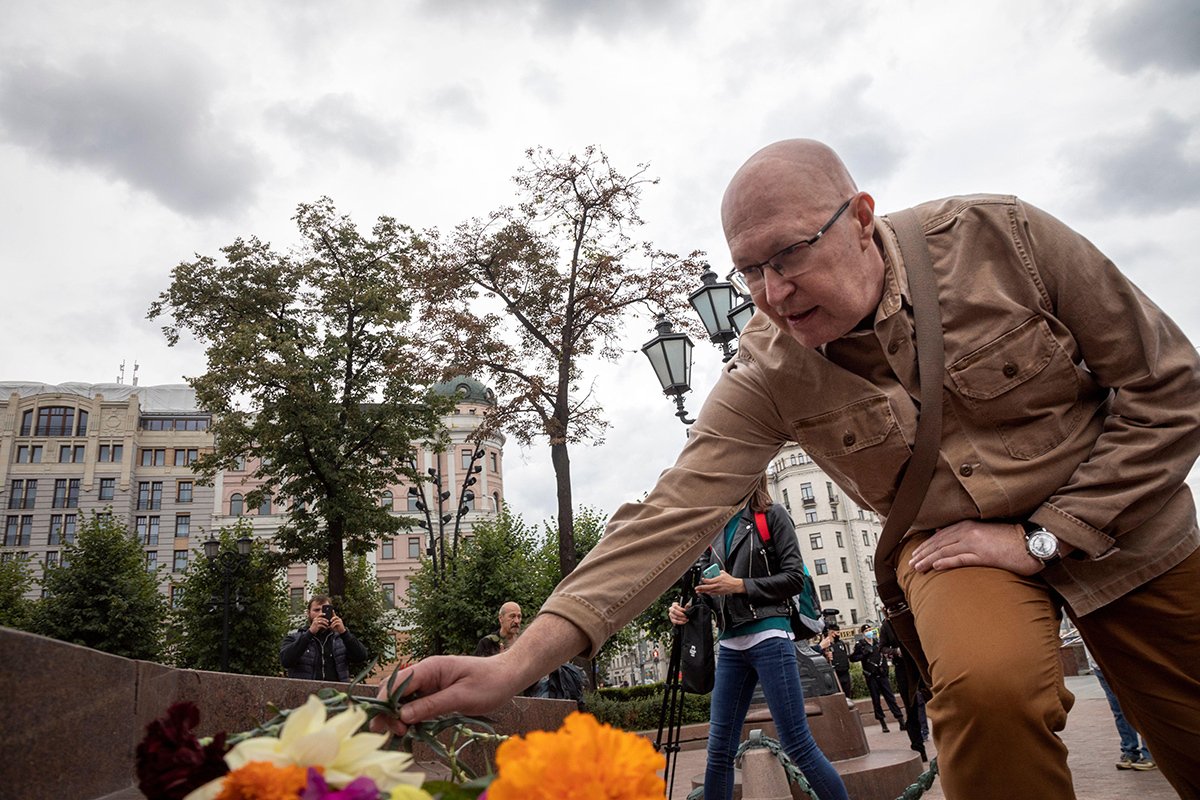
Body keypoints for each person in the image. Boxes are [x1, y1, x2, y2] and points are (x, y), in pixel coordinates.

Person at [376, 139, 1200, 799]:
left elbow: (1170, 386)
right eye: (748, 271)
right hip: (955, 551)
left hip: (1128, 522)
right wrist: (517, 664)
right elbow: (672, 514)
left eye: (788, 256)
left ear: (862, 218)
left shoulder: (1004, 240)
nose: (770, 292)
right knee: (986, 696)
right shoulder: (767, 370)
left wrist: (1047, 537)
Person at [668, 486, 848, 800]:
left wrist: (739, 585)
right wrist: (683, 610)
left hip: (770, 636)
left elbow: (794, 577)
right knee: (719, 749)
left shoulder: (771, 515)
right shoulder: (713, 527)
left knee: (797, 743)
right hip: (730, 645)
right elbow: (707, 591)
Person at [1087, 649, 1156, 771]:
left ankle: (1150, 753)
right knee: (1118, 710)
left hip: (1125, 662)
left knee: (1140, 707)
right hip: (1100, 666)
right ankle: (1130, 751)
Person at [280, 595, 368, 682]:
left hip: (335, 693)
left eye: (325, 610)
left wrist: (344, 632)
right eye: (316, 610)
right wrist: (310, 633)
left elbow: (361, 657)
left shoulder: (340, 639)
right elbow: (286, 661)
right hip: (306, 693)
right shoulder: (294, 637)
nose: (321, 614)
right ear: (308, 613)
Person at [849, 624, 905, 733]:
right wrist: (863, 655)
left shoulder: (877, 642)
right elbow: (852, 658)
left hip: (882, 674)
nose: (869, 631)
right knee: (876, 700)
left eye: (870, 629)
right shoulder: (860, 645)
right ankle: (883, 723)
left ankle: (901, 720)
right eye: (866, 630)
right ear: (863, 633)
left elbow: (884, 654)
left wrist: (885, 669)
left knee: (890, 698)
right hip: (871, 676)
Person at [817, 624, 852, 696]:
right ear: (832, 633)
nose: (839, 635)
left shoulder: (841, 643)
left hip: (845, 673)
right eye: (837, 633)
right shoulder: (825, 645)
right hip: (834, 674)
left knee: (847, 695)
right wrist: (826, 656)